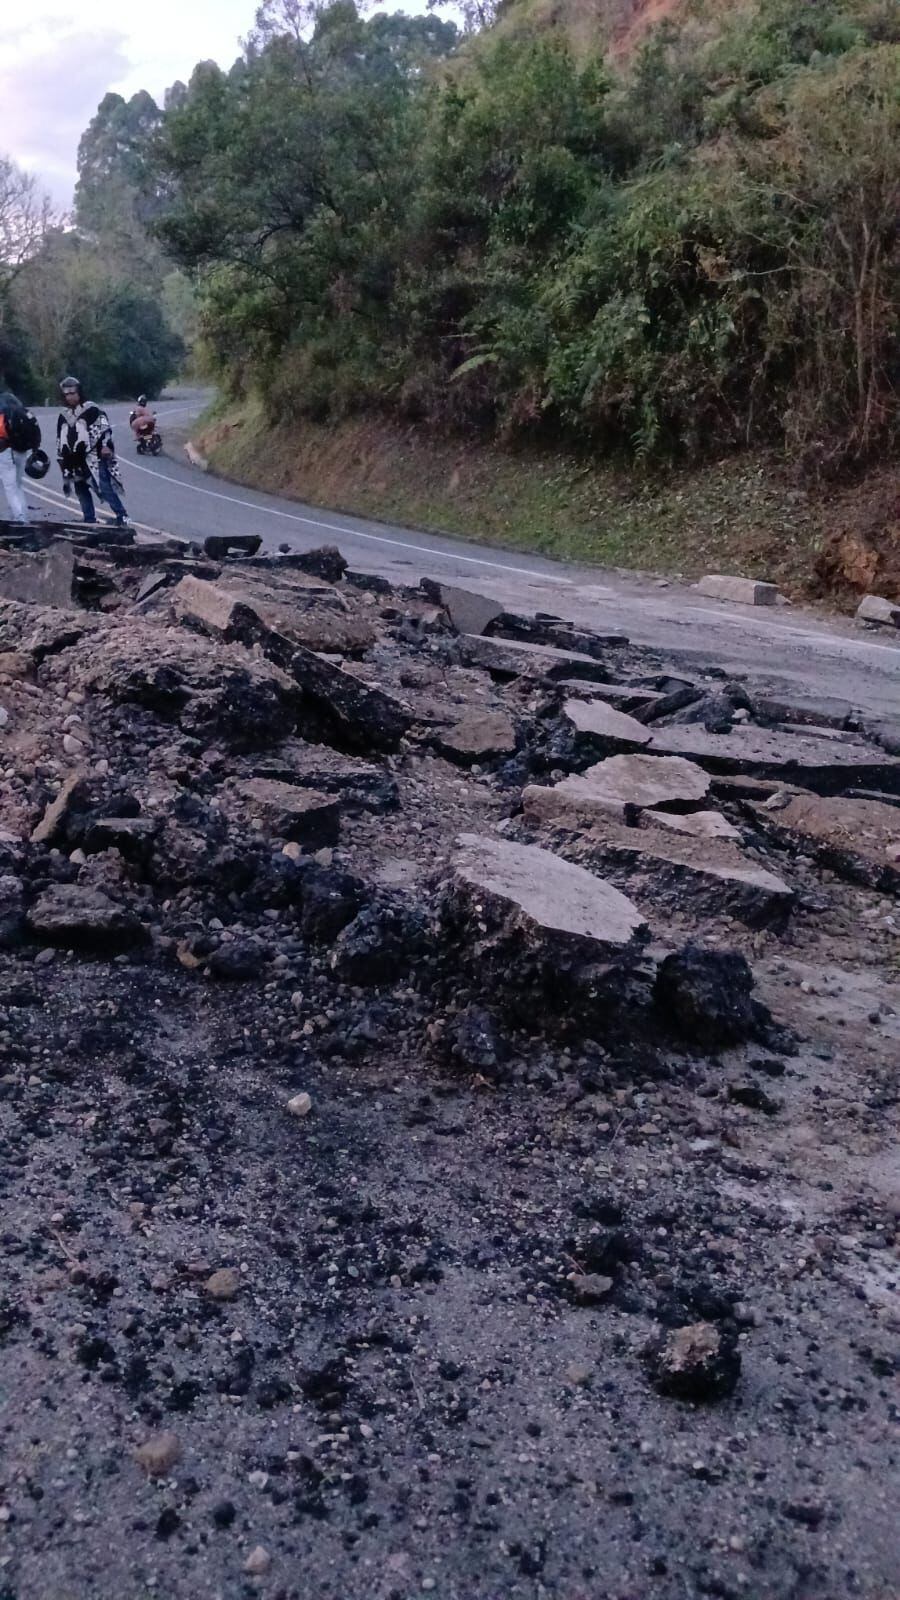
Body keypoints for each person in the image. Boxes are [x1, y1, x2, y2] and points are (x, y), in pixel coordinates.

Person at [56, 376, 129, 527]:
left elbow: (105, 428)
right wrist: (62, 459)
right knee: (80, 488)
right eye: (66, 394)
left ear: (79, 392)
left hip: (93, 456)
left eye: (72, 393)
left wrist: (105, 445)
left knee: (103, 486)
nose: (70, 397)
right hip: (74, 459)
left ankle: (122, 515)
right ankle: (89, 518)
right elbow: (60, 438)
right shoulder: (64, 415)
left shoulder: (92, 409)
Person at [0, 391, 41, 525]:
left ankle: (19, 517)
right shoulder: (24, 412)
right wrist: (34, 449)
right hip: (22, 451)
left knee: (10, 487)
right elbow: (36, 432)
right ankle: (23, 516)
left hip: (7, 451)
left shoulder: (4, 412)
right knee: (18, 485)